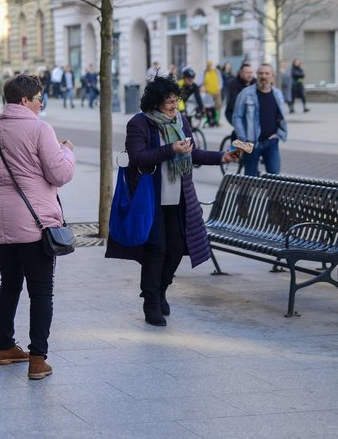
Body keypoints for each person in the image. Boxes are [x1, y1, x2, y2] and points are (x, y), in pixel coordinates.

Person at [106, 76, 239, 326]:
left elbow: (194, 152)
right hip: (151, 197)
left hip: (179, 196)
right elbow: (138, 157)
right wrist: (171, 150)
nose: (173, 106)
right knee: (156, 249)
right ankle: (150, 303)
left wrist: (222, 156)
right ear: (156, 102)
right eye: (169, 102)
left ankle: (161, 289)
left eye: (176, 101)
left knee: (177, 247)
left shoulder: (180, 121)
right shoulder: (139, 123)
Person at [0, 74, 75, 380]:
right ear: (24, 100)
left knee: (9, 283)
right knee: (41, 291)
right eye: (37, 98)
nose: (40, 102)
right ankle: (37, 358)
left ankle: (4, 347)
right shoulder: (40, 128)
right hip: (34, 223)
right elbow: (59, 174)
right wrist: (67, 151)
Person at [233, 63, 288, 176]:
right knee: (249, 178)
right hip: (251, 143)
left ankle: (272, 195)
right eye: (260, 73)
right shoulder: (246, 93)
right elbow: (236, 117)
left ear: (273, 76)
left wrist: (279, 134)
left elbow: (281, 117)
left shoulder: (277, 94)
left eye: (267, 73)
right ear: (256, 75)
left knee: (275, 178)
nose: (263, 76)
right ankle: (246, 194)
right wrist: (243, 138)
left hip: (271, 142)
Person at [223, 62, 254, 126]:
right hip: (233, 112)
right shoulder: (233, 84)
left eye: (251, 73)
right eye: (247, 73)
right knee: (242, 130)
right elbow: (235, 103)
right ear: (241, 73)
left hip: (250, 113)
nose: (249, 75)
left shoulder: (255, 82)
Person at [202, 61, 223, 126]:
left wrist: (219, 88)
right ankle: (208, 119)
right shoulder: (205, 73)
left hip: (217, 92)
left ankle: (217, 120)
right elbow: (202, 81)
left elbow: (220, 80)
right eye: (208, 65)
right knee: (208, 106)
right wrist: (203, 87)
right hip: (208, 93)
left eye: (210, 65)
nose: (209, 66)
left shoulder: (216, 72)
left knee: (218, 106)